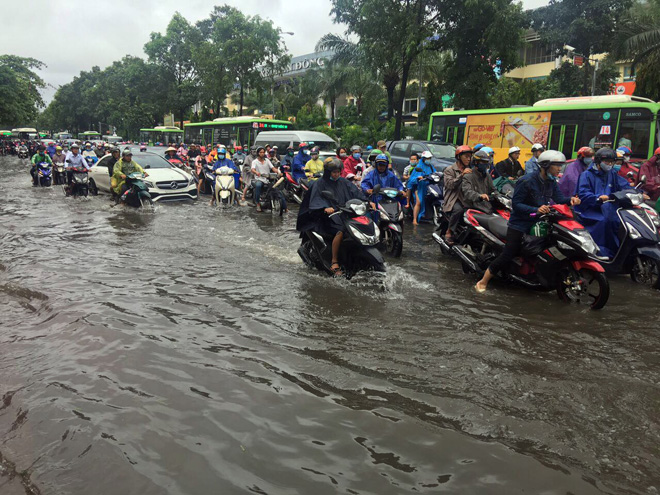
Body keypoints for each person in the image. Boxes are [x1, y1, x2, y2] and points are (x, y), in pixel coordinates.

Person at [475, 150, 581, 292]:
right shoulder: (526, 181)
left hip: (539, 223)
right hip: (520, 223)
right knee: (509, 253)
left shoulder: (551, 182)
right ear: (546, 165)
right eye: (557, 165)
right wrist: (535, 210)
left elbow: (559, 198)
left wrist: (571, 200)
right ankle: (483, 281)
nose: (559, 169)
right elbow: (516, 204)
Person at [296, 158, 367, 277]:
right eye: (334, 172)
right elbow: (316, 199)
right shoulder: (320, 183)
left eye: (338, 172)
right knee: (340, 231)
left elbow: (356, 193)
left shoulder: (344, 182)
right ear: (328, 172)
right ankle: (334, 261)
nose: (336, 174)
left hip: (345, 213)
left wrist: (366, 201)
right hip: (326, 217)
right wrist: (325, 207)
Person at [575, 148, 640, 258]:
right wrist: (598, 198)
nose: (609, 164)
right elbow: (583, 194)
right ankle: (600, 251)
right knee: (604, 221)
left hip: (610, 208)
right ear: (598, 161)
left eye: (611, 162)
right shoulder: (586, 175)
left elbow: (624, 186)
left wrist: (639, 193)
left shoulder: (612, 174)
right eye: (607, 162)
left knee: (623, 221)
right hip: (591, 210)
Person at [443, 145, 473, 241]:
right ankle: (449, 231)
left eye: (470, 157)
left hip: (467, 198)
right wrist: (462, 175)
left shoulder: (471, 170)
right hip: (454, 198)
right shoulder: (450, 170)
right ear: (459, 157)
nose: (468, 159)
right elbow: (450, 185)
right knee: (458, 210)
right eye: (466, 156)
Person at [409, 150, 438, 226]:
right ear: (423, 158)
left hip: (428, 187)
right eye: (427, 158)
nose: (428, 159)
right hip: (418, 187)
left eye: (429, 158)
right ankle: (414, 219)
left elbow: (434, 173)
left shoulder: (431, 167)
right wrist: (418, 178)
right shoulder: (419, 166)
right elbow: (412, 179)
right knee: (419, 202)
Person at [251, 146, 280, 212]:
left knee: (275, 188)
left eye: (263, 152)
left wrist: (278, 172)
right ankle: (257, 203)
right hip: (259, 179)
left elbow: (273, 168)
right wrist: (256, 172)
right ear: (258, 153)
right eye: (261, 152)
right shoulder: (255, 161)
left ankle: (282, 205)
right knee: (258, 186)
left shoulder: (267, 160)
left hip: (267, 178)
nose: (262, 154)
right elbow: (252, 169)